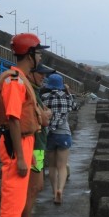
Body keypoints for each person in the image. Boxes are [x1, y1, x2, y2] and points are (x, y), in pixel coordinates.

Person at [0, 32, 49, 217]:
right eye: (38, 52)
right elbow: (14, 120)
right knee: (12, 203)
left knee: (18, 200)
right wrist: (22, 157)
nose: (41, 56)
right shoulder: (14, 81)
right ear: (30, 54)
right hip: (16, 144)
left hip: (24, 142)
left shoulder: (20, 78)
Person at [21, 63, 54, 217]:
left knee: (36, 187)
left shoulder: (34, 91)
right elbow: (45, 119)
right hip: (34, 147)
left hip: (37, 146)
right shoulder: (31, 91)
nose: (43, 77)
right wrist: (46, 115)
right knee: (33, 188)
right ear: (32, 73)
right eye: (41, 73)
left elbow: (44, 116)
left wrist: (45, 115)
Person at [41, 73, 78, 205]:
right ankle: (60, 190)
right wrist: (68, 91)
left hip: (49, 134)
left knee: (52, 166)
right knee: (62, 166)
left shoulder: (44, 97)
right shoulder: (67, 97)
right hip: (64, 134)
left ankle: (53, 191)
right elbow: (75, 107)